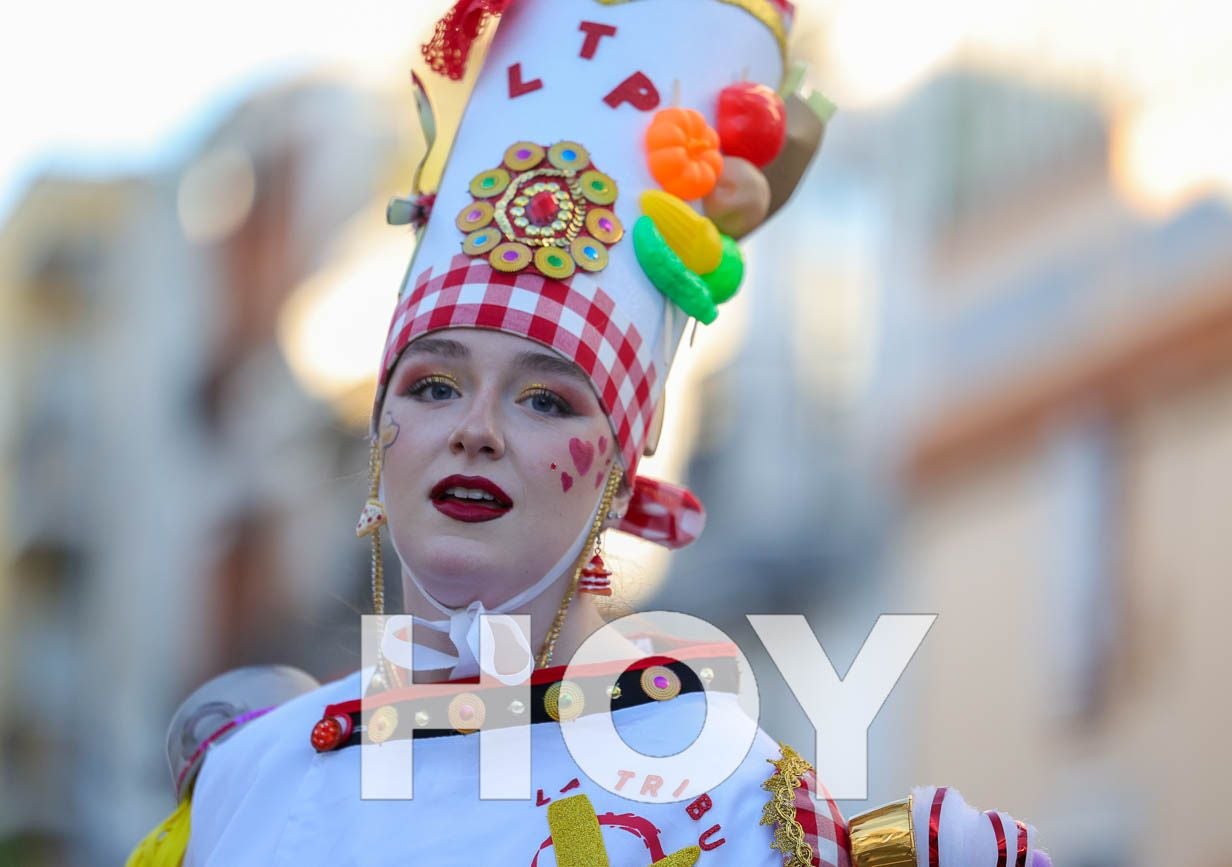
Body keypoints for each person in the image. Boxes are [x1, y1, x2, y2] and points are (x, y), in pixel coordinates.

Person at [129, 1, 1051, 864]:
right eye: (436, 384)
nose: (476, 430)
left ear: (618, 464)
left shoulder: (731, 804)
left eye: (546, 400)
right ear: (382, 436)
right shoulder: (250, 779)